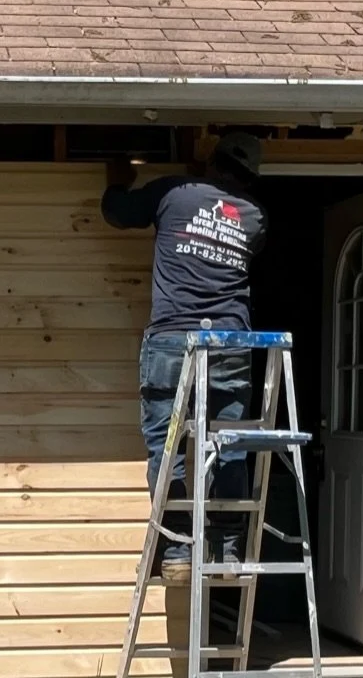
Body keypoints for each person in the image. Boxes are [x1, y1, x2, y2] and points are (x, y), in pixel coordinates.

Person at [101, 132, 267, 585]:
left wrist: (116, 180)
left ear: (211, 160)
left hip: (174, 339)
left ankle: (176, 550)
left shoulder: (173, 192)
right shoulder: (255, 218)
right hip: (230, 344)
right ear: (252, 177)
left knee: (167, 445)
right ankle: (228, 548)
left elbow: (118, 214)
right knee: (229, 441)